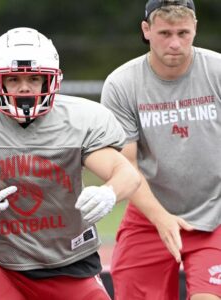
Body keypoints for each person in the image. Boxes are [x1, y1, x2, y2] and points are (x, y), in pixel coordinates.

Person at [0, 27, 141, 300]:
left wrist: (109, 192)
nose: (24, 87)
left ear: (51, 81)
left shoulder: (80, 120)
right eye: (13, 78)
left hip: (68, 264)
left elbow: (126, 174)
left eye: (34, 78)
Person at [101, 0, 221, 299]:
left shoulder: (217, 71)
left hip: (214, 212)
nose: (175, 44)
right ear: (146, 30)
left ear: (195, 28)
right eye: (165, 33)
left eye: (184, 33)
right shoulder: (122, 83)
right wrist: (160, 217)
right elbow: (126, 166)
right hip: (148, 214)